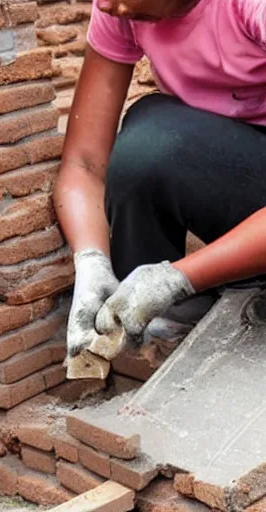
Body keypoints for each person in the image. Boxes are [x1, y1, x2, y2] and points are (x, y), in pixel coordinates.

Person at [53, 0, 266, 357]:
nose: (106, 4)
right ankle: (146, 318)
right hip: (242, 173)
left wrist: (179, 278)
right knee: (149, 144)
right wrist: (91, 262)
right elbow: (84, 163)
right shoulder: (117, 8)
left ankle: (231, 276)